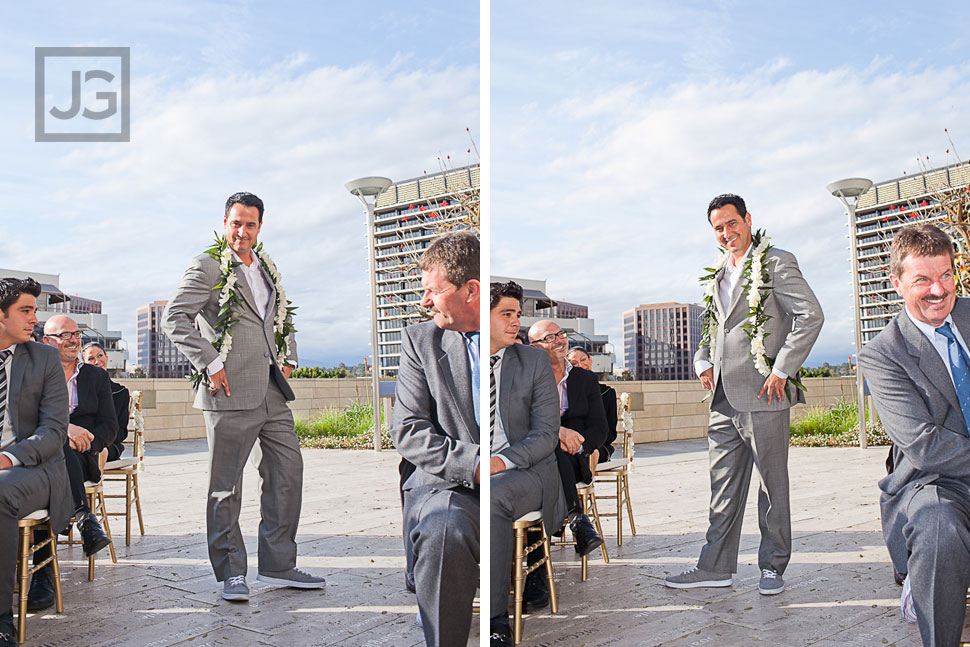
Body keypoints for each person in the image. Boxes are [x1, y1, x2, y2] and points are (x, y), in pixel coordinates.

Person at [162, 192, 323, 601]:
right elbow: (175, 318)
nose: (242, 231)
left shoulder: (266, 266)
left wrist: (290, 357)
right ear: (224, 222)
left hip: (272, 390)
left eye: (250, 224)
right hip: (228, 391)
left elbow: (278, 317)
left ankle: (278, 563)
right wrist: (210, 362)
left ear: (260, 227)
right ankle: (231, 572)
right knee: (225, 487)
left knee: (288, 473)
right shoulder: (207, 265)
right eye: (236, 223)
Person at [665, 193, 823, 595]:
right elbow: (712, 329)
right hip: (721, 398)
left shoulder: (775, 261)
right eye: (718, 228)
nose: (726, 233)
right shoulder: (717, 273)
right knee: (723, 486)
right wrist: (702, 361)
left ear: (748, 219)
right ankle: (715, 567)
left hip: (764, 394)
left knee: (772, 484)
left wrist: (783, 368)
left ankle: (772, 567)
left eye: (731, 223)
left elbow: (811, 315)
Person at [858, 224, 970, 646]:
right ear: (897, 283)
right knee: (938, 527)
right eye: (922, 279)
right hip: (933, 481)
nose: (938, 290)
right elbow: (924, 445)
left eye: (945, 275)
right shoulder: (883, 355)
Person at [391, 231, 480, 647]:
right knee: (444, 529)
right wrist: (476, 464)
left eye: (432, 291)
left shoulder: (520, 344)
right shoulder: (419, 342)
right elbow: (408, 429)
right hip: (449, 481)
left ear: (470, 290)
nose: (425, 302)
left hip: (519, 479)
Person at [489, 281, 563, 647]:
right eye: (506, 314)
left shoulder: (533, 361)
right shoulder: (459, 360)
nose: (515, 322)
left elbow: (547, 434)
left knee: (491, 498)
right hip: (468, 467)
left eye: (517, 314)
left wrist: (500, 462)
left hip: (526, 472)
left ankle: (495, 618)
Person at [0, 278, 71, 646]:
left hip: (34, 469)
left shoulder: (44, 358)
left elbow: (55, 430)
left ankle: (1, 620)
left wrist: (7, 458)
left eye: (35, 310)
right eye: (25, 311)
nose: (34, 319)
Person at [527, 320, 606, 556]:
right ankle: (577, 519)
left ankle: (538, 559)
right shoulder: (527, 380)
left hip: (575, 457)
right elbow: (521, 420)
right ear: (534, 347)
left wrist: (578, 445)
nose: (559, 340)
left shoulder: (585, 379)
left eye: (560, 334)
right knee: (549, 451)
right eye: (549, 338)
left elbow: (599, 428)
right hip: (538, 452)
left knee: (554, 455)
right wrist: (557, 433)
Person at [41, 316, 114, 566]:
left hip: (83, 457)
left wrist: (86, 441)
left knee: (56, 457)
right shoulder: (35, 375)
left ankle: (43, 571)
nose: (73, 340)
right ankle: (84, 517)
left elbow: (109, 427)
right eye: (64, 335)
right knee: (55, 446)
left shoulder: (96, 377)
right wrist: (64, 431)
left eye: (76, 333)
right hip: (43, 453)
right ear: (46, 341)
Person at [567, 347, 617, 463]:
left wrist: (588, 440)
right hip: (571, 443)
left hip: (599, 445)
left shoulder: (607, 392)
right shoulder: (564, 392)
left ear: (590, 360)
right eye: (574, 363)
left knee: (589, 454)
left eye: (583, 360)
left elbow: (611, 432)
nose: (579, 365)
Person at [81, 342, 130, 461]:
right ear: (84, 363)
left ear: (106, 357)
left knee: (97, 453)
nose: (97, 362)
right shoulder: (78, 390)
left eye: (100, 356)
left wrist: (97, 439)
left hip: (109, 445)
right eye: (91, 359)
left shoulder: (121, 392)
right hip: (81, 442)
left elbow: (122, 431)